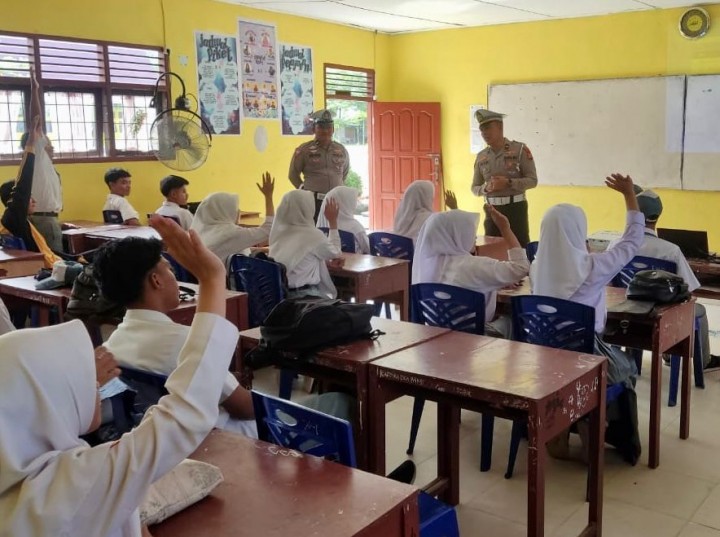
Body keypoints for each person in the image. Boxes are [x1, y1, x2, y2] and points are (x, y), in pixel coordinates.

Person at [0, 215, 239, 536]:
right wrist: (212, 280)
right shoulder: (69, 491)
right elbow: (184, 415)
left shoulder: (24, 483)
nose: (97, 381)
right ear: (50, 408)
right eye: (79, 381)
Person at [95, 236, 257, 437]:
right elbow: (245, 409)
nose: (175, 277)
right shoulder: (186, 342)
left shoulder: (114, 341)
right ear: (156, 280)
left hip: (158, 436)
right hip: (215, 439)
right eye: (170, 269)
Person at [531, 173, 643, 464]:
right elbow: (631, 242)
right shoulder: (592, 267)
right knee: (628, 368)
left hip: (544, 361)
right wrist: (630, 195)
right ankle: (601, 428)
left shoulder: (535, 268)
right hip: (586, 361)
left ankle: (560, 430)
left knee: (575, 368)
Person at [609, 188, 717, 368]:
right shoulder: (670, 250)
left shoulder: (617, 245)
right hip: (660, 316)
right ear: (658, 216)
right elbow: (688, 289)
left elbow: (609, 281)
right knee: (699, 309)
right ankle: (701, 362)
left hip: (625, 312)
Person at [413, 206, 529, 337]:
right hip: (474, 340)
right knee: (512, 317)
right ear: (456, 235)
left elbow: (457, 283)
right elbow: (521, 268)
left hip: (438, 337)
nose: (474, 236)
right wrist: (505, 229)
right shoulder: (475, 266)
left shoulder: (429, 264)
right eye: (469, 231)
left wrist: (494, 284)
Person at [0, 116, 62, 269]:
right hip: (49, 269)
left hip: (52, 261)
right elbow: (23, 184)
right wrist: (30, 145)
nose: (33, 200)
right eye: (29, 197)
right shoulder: (13, 218)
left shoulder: (17, 220)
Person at [471, 109, 537, 247]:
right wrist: (486, 188)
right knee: (492, 250)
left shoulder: (519, 150)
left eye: (488, 128)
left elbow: (532, 180)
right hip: (492, 210)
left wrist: (508, 183)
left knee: (520, 249)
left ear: (500, 127)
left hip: (515, 209)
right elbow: (474, 188)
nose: (484, 133)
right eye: (482, 129)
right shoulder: (481, 156)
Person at [270, 190, 342, 299]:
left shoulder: (279, 231)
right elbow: (336, 252)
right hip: (305, 297)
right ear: (308, 208)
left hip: (278, 296)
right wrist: (333, 222)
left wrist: (325, 262)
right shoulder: (313, 235)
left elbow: (300, 259)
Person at [190, 172, 275, 265]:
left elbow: (231, 246)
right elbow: (268, 229)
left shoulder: (202, 230)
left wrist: (261, 250)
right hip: (227, 278)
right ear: (225, 211)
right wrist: (268, 197)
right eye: (235, 209)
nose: (238, 212)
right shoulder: (230, 233)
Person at [24, 69, 63, 251]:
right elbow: (36, 121)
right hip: (44, 221)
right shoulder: (36, 159)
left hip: (49, 219)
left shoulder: (42, 167)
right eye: (46, 142)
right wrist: (34, 90)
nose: (50, 146)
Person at [288, 109, 350, 221]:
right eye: (321, 127)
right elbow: (293, 174)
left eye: (328, 127)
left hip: (336, 201)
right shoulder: (304, 150)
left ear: (333, 129)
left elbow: (344, 173)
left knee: (336, 233)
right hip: (313, 202)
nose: (325, 131)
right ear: (313, 129)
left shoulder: (341, 150)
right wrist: (304, 191)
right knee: (315, 233)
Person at [392, 181, 459, 242]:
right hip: (421, 255)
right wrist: (454, 208)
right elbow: (456, 232)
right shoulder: (431, 219)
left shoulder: (400, 218)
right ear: (426, 198)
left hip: (400, 254)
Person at [316, 185, 369, 254]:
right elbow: (368, 249)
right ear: (348, 202)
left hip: (329, 263)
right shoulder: (355, 227)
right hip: (354, 263)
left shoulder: (321, 225)